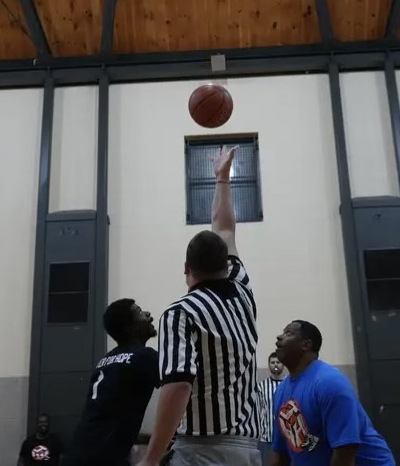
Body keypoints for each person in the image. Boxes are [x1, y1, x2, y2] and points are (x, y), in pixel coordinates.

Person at [140, 145, 261, 466]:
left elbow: (179, 384)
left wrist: (151, 459)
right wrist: (223, 179)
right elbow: (224, 228)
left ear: (186, 269)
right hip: (247, 450)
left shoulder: (181, 313)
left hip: (202, 450)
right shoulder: (242, 288)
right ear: (226, 265)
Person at [269, 320, 395, 466]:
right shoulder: (281, 392)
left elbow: (345, 452)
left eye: (288, 333)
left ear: (306, 345)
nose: (279, 337)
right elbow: (281, 454)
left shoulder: (329, 382)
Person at [65, 298, 159, 466]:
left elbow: (110, 416)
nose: (148, 315)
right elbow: (180, 388)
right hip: (103, 459)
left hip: (76, 454)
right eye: (139, 312)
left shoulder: (105, 361)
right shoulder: (145, 357)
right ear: (128, 327)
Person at [257, 351, 287, 465]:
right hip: (267, 438)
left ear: (283, 364)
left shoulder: (290, 384)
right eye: (272, 362)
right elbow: (259, 411)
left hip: (287, 439)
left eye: (278, 362)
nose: (275, 365)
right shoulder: (261, 386)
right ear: (269, 365)